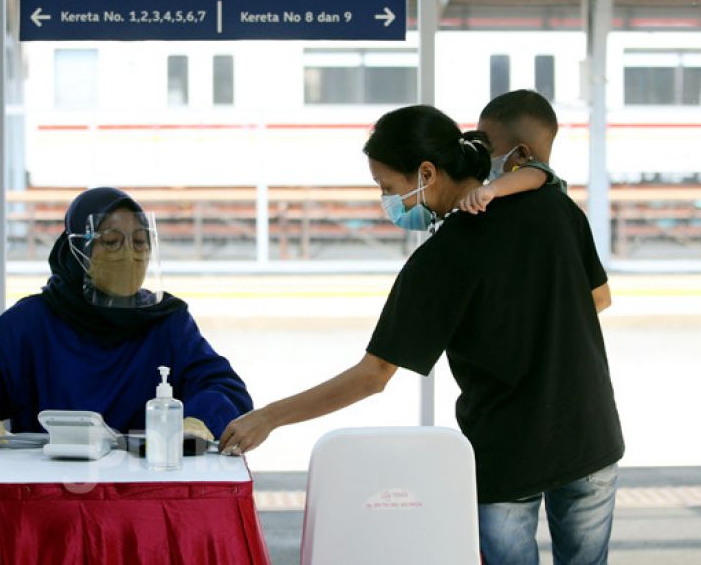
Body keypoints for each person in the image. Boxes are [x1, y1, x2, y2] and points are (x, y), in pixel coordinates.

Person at [220, 105, 624, 564]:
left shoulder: (443, 257)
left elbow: (373, 375)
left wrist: (270, 416)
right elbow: (599, 298)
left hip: (509, 451)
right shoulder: (553, 205)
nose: (389, 201)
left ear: (427, 172)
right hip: (591, 431)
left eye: (388, 188)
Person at [0, 186, 253, 448]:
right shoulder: (31, 322)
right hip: (49, 493)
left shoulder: (166, 322)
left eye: (140, 242)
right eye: (111, 242)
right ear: (76, 252)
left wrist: (199, 418)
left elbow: (226, 388)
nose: (129, 255)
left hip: (143, 488)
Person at [458, 89, 568, 215]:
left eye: (488, 150)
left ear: (521, 155)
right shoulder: (517, 195)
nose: (483, 156)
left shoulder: (540, 175)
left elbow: (534, 174)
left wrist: (492, 189)